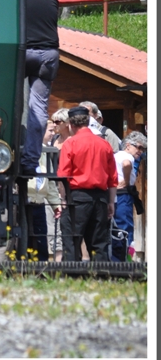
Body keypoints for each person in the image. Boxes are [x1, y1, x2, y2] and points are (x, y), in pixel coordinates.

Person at [57, 106, 118, 262]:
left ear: (70, 124)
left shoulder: (70, 144)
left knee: (71, 238)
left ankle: (72, 275)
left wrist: (63, 199)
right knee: (99, 242)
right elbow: (112, 177)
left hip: (77, 197)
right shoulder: (104, 144)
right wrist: (111, 202)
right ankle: (102, 276)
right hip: (101, 197)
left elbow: (63, 175)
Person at [21, 0, 60, 176]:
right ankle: (31, 160)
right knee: (38, 108)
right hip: (48, 54)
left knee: (12, 102)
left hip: (22, 52)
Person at [112, 133, 147, 261]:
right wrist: (126, 181)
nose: (140, 151)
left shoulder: (115, 155)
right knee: (124, 229)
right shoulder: (127, 156)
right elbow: (126, 164)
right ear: (128, 145)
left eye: (143, 149)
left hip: (114, 194)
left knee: (115, 228)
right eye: (138, 147)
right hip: (123, 195)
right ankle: (123, 262)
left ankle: (116, 259)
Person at [43, 108, 72, 261]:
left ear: (67, 123)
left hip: (66, 189)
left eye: (57, 122)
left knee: (64, 230)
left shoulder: (71, 142)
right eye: (52, 121)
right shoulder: (55, 141)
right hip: (53, 187)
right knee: (52, 229)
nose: (54, 125)